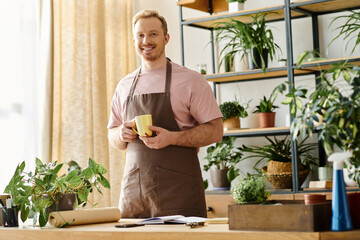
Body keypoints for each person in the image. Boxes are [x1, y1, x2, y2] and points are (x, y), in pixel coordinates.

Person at [107, 9, 223, 218]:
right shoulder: (124, 86)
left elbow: (216, 131)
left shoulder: (191, 80)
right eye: (140, 35)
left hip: (180, 194)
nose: (146, 41)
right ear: (133, 40)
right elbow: (113, 136)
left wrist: (172, 138)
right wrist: (120, 134)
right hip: (135, 196)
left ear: (166, 38)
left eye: (153, 34)